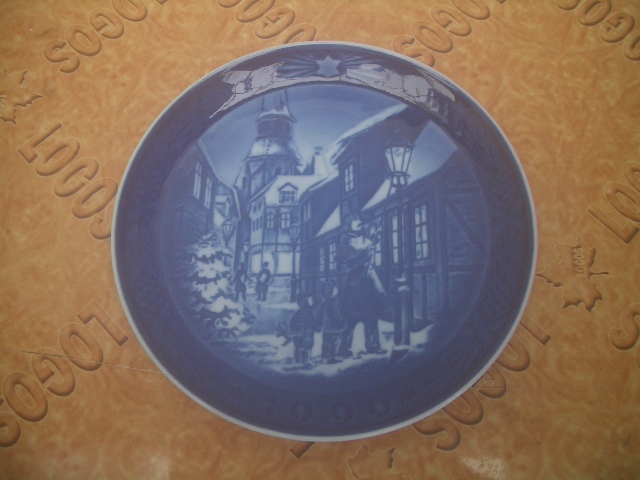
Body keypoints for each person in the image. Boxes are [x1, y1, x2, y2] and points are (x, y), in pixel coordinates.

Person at [336, 215, 387, 357]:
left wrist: (375, 239)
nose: (359, 221)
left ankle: (373, 345)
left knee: (371, 314)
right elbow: (348, 262)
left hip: (368, 281)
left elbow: (371, 249)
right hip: (355, 282)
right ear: (349, 224)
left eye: (359, 219)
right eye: (355, 219)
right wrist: (363, 254)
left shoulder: (366, 239)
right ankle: (343, 348)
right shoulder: (346, 242)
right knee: (351, 317)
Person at [317, 279, 345, 364]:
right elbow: (336, 315)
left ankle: (326, 356)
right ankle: (332, 356)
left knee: (328, 341)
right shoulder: (334, 303)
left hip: (328, 326)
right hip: (333, 326)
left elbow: (320, 315)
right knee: (334, 341)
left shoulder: (324, 304)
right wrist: (340, 321)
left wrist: (319, 323)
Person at [288, 293, 318, 366]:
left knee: (307, 346)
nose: (300, 303)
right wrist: (292, 328)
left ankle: (306, 359)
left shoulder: (309, 311)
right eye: (299, 302)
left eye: (302, 301)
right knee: (298, 345)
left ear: (305, 301)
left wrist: (315, 327)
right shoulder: (298, 312)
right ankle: (298, 359)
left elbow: (312, 321)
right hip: (298, 333)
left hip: (307, 333)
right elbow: (292, 321)